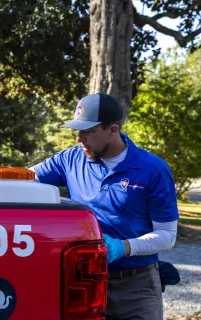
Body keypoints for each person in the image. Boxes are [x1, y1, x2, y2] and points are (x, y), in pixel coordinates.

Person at [30, 92, 179, 320]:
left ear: (112, 130)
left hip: (137, 287)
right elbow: (24, 178)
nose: (79, 138)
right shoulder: (70, 160)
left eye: (88, 131)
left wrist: (123, 247)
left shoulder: (153, 169)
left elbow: (167, 235)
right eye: (78, 131)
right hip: (83, 282)